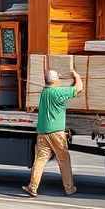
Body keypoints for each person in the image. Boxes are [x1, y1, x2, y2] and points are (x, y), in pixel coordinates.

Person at [22, 68, 83, 197]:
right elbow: (79, 88)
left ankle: (32, 187)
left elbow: (61, 89)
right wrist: (76, 76)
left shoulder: (45, 92)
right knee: (64, 160)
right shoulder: (58, 92)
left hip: (43, 132)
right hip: (56, 133)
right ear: (56, 81)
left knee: (40, 160)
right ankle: (69, 188)